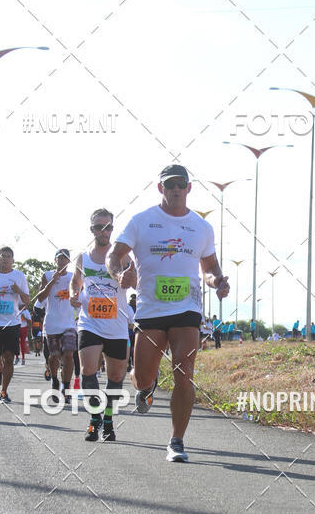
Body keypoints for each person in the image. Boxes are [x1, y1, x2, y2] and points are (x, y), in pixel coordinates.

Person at [107, 164, 229, 462]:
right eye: (170, 184)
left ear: (189, 188)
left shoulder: (201, 227)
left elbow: (210, 269)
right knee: (145, 376)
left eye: (181, 184)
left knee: (183, 374)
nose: (175, 189)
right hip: (150, 310)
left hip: (187, 308)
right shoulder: (143, 221)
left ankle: (176, 441)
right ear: (161, 188)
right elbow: (115, 255)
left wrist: (218, 283)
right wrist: (121, 273)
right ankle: (144, 385)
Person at [71, 209, 133, 442]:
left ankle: (107, 419)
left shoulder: (123, 256)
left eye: (108, 227)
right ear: (92, 230)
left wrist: (129, 277)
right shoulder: (83, 258)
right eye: (99, 227)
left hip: (116, 325)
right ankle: (94, 417)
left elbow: (135, 281)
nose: (104, 231)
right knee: (88, 370)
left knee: (116, 377)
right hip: (90, 323)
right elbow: (75, 283)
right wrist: (73, 295)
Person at [0, 246, 30, 403]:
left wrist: (18, 290)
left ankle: (4, 391)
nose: (5, 259)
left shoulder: (19, 276)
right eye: (3, 256)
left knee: (9, 357)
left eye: (9, 256)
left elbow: (27, 301)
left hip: (13, 322)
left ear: (13, 260)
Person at [37, 250, 77, 402]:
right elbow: (40, 298)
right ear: (55, 260)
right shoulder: (47, 275)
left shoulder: (73, 276)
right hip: (52, 323)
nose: (62, 261)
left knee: (68, 355)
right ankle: (54, 380)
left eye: (65, 258)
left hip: (69, 324)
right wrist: (52, 282)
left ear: (69, 261)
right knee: (54, 356)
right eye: (59, 258)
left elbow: (79, 294)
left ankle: (66, 388)